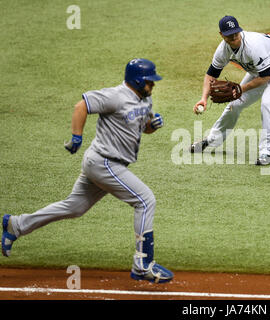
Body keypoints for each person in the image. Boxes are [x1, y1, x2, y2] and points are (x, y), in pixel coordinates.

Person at [1, 58, 173, 284]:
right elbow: (82, 105)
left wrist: (151, 126)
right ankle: (142, 263)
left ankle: (17, 224)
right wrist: (77, 136)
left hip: (107, 165)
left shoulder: (145, 99)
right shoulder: (115, 96)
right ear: (138, 80)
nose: (153, 85)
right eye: (150, 81)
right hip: (104, 163)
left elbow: (140, 127)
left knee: (75, 207)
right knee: (145, 200)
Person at [191, 15, 270, 166]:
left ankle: (266, 152)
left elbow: (266, 77)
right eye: (229, 35)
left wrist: (240, 89)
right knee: (234, 105)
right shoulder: (223, 50)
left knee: (267, 104)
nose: (234, 37)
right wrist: (204, 97)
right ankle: (211, 141)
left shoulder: (252, 46)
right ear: (221, 35)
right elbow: (211, 74)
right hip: (259, 71)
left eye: (236, 33)